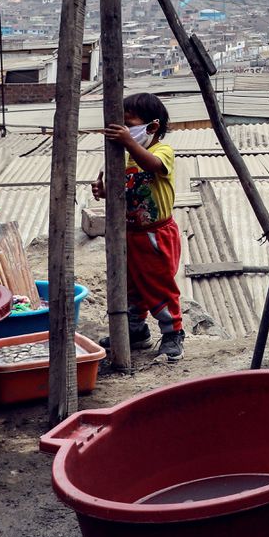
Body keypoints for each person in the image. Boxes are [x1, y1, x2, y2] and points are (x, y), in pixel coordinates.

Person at [92, 93, 184, 362]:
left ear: (152, 128)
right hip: (129, 234)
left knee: (159, 285)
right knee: (130, 285)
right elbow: (127, 191)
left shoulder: (160, 152)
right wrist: (105, 191)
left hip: (156, 234)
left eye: (128, 123)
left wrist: (130, 142)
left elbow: (152, 166)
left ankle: (173, 332)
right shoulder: (124, 158)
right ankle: (136, 330)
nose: (123, 129)